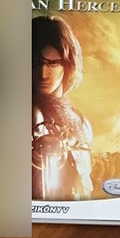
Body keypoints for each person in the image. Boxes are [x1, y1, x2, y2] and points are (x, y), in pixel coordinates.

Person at [32, 14, 93, 201]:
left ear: (67, 65)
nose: (43, 73)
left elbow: (84, 185)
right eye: (35, 62)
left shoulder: (80, 120)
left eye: (53, 63)